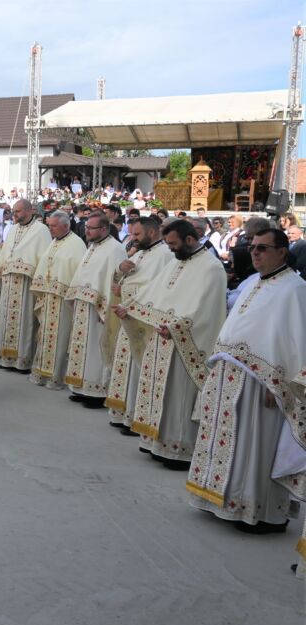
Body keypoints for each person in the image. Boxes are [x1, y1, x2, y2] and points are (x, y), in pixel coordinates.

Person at [186, 228, 306, 535]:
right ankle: (223, 499)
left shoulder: (295, 289)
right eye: (252, 247)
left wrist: (281, 386)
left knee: (256, 446)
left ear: (282, 251)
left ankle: (260, 513)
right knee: (231, 442)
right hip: (231, 376)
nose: (255, 253)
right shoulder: (254, 281)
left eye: (263, 248)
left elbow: (297, 341)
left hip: (263, 384)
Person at [113, 220, 227, 469]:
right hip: (161, 337)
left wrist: (176, 329)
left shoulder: (211, 268)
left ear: (189, 239)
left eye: (174, 243)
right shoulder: (177, 260)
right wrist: (130, 310)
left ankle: (178, 450)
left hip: (185, 343)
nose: (171, 249)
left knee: (178, 397)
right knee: (157, 391)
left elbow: (207, 311)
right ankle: (156, 441)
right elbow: (154, 292)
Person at [105, 217, 174, 434]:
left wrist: (124, 291)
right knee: (125, 366)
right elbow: (126, 279)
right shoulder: (142, 252)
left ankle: (136, 417)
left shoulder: (164, 256)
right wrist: (119, 270)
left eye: (136, 234)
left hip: (143, 322)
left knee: (138, 370)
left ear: (152, 233)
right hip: (129, 317)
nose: (132, 239)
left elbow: (157, 291)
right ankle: (123, 413)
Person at [62, 213, 127, 408]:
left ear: (105, 229)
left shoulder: (115, 249)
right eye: (87, 227)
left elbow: (115, 280)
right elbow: (82, 273)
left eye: (91, 228)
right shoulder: (93, 246)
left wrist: (107, 309)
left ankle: (96, 392)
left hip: (99, 309)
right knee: (81, 347)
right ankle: (80, 387)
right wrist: (73, 295)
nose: (87, 231)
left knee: (96, 349)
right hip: (83, 304)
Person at [27, 211, 86, 389]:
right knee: (45, 336)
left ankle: (56, 377)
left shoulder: (77, 244)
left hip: (63, 299)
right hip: (48, 298)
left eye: (53, 225)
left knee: (60, 337)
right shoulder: (55, 241)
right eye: (49, 225)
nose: (50, 229)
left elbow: (76, 272)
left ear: (65, 226)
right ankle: (42, 373)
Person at [0, 199, 51, 373]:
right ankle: (6, 358)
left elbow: (45, 258)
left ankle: (23, 360)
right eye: (13, 211)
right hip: (9, 282)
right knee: (6, 319)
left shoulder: (41, 230)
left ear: (28, 211)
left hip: (27, 283)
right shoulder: (13, 229)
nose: (14, 214)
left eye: (17, 211)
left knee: (25, 322)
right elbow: (6, 253)